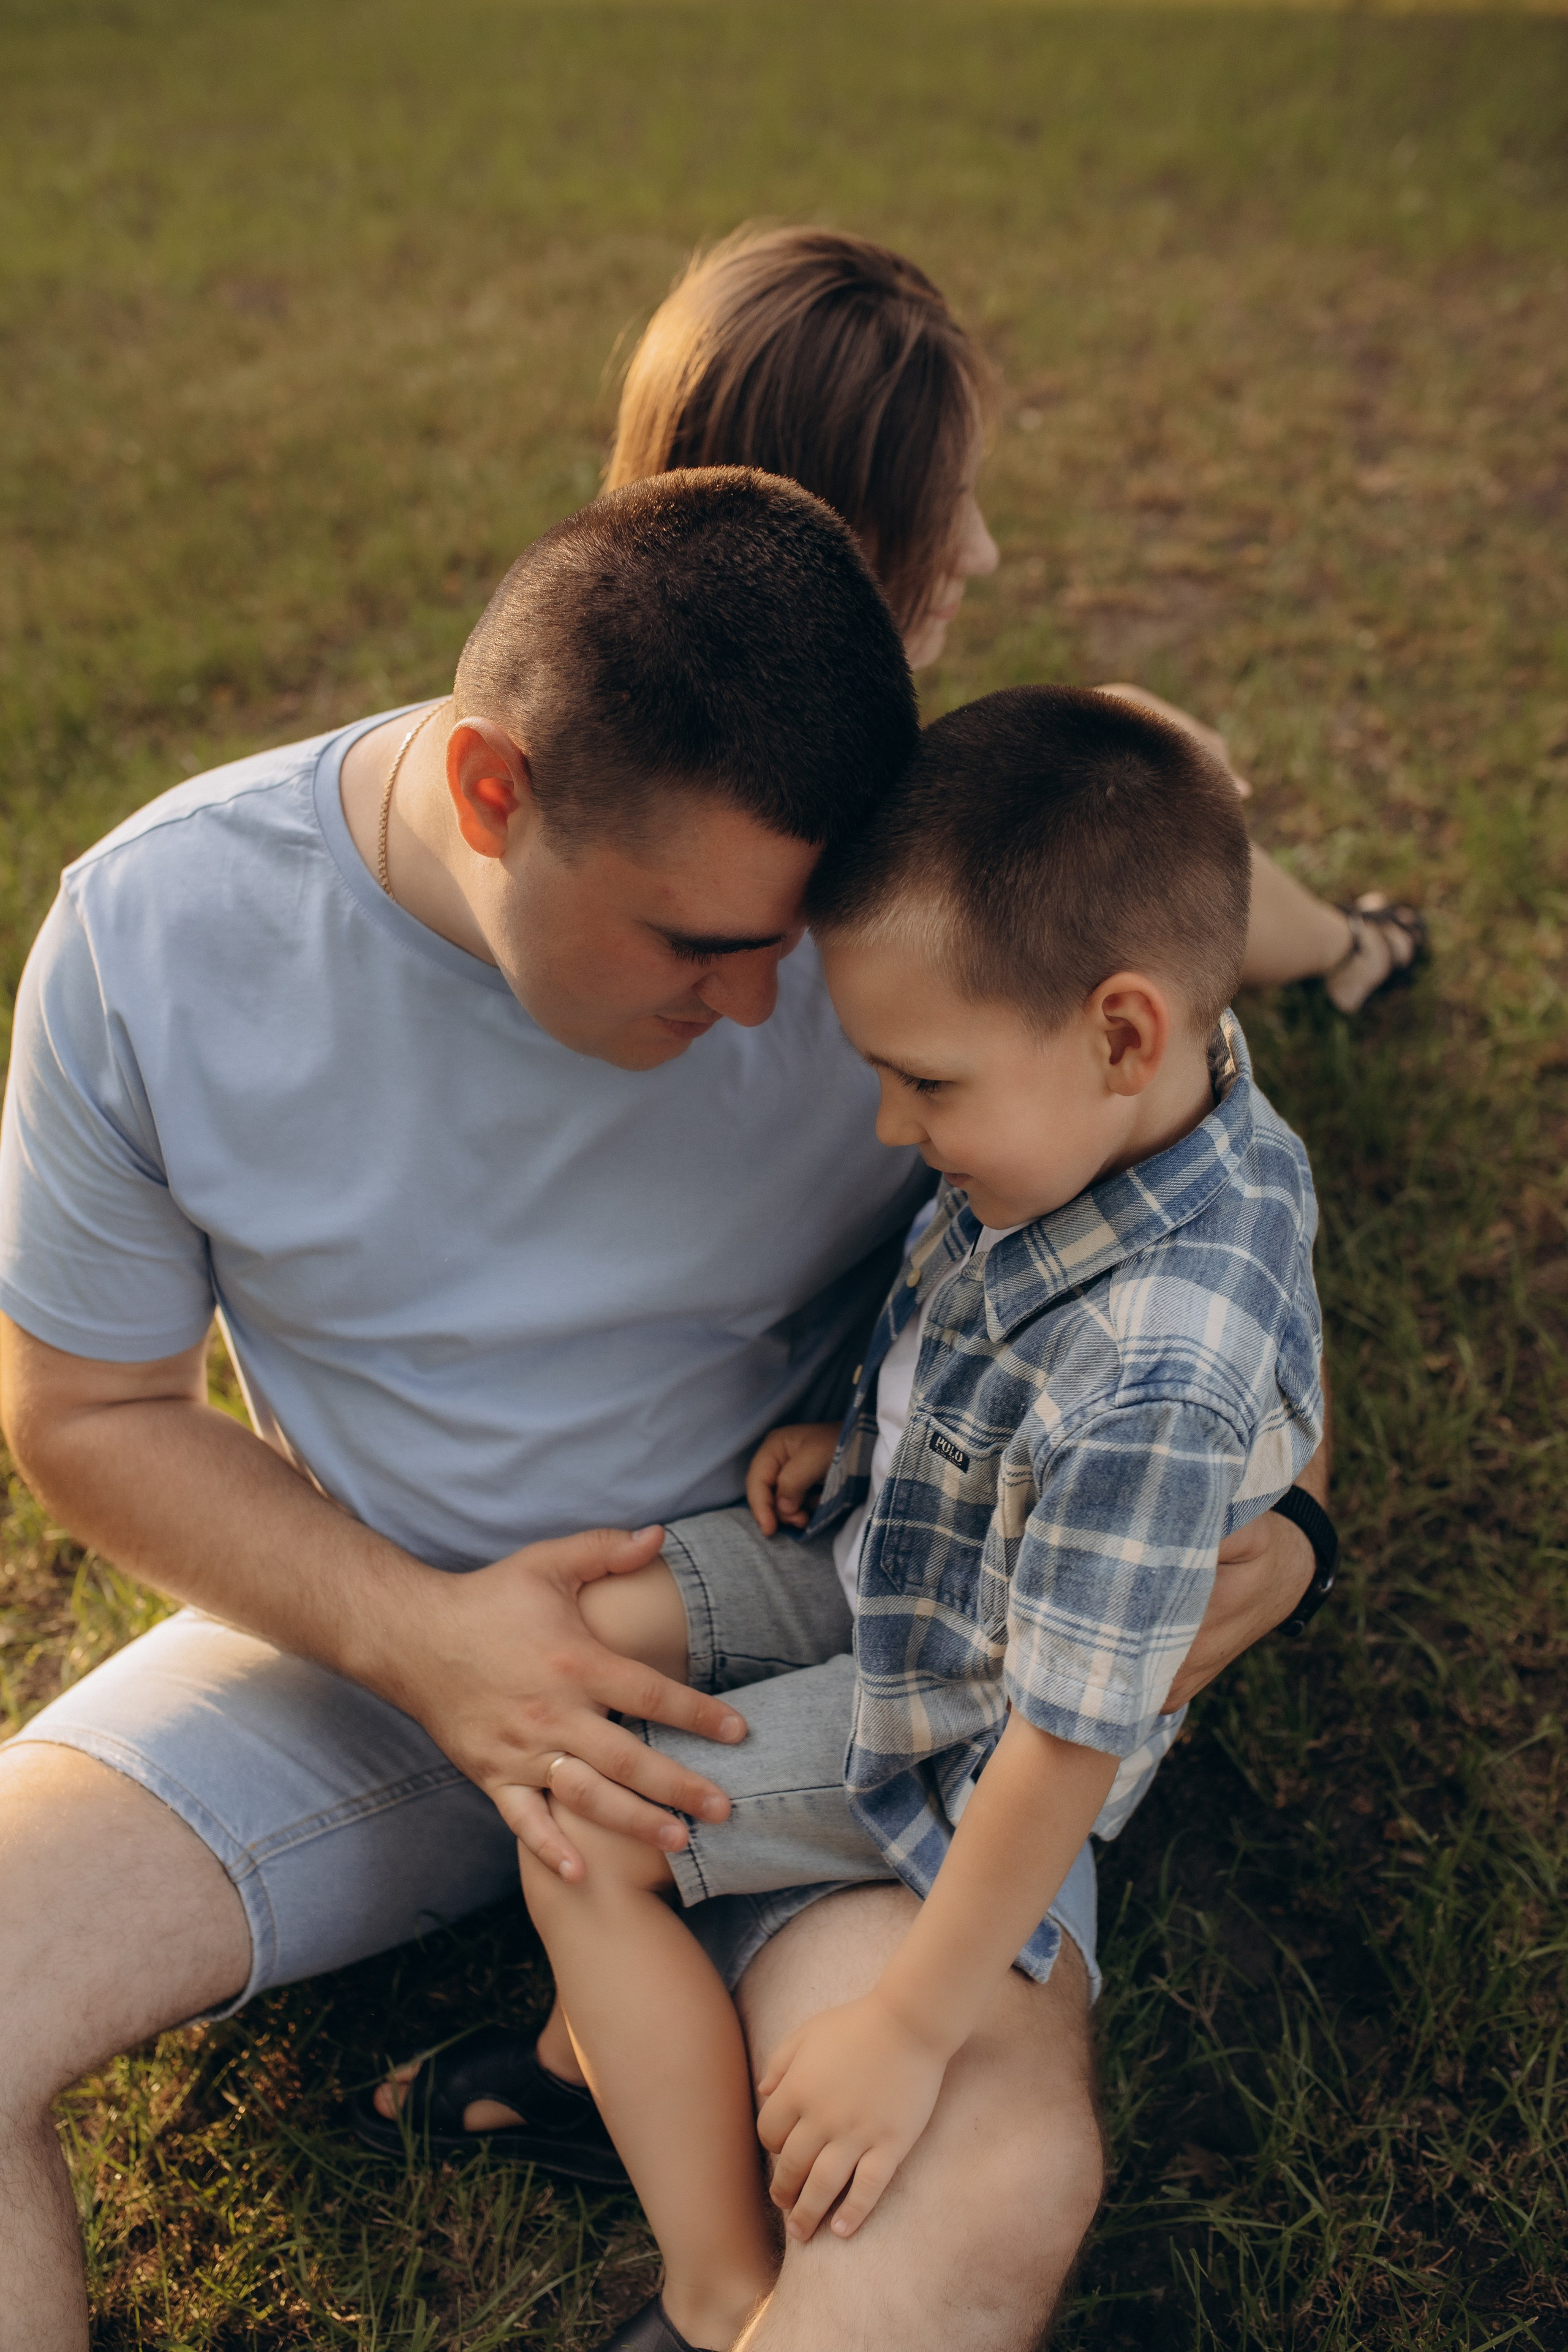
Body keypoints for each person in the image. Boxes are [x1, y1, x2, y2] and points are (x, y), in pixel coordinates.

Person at [0, 467, 1323, 2352]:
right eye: (701, 947)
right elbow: (84, 1414)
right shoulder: (150, 938)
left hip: (865, 1638)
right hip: (364, 1657)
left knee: (982, 2198)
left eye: (793, 954)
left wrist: (1302, 1530)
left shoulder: (884, 926)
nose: (771, 1004)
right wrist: (429, 1642)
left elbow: (1205, 1212)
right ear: (488, 793)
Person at [511, 686, 1325, 2352]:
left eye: (923, 1084)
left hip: (953, 1712)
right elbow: (972, 1295)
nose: (892, 1126)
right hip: (894, 1536)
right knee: (561, 1656)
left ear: (1122, 1033)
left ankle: (716, 2274)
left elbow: (1061, 1742)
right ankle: (625, 2038)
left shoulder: (1162, 1376)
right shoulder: (1134, 1120)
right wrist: (862, 1421)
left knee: (569, 1807)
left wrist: (905, 2023)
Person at [607, 223, 1423, 1015]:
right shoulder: (894, 870)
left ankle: (1344, 946)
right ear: (821, 526)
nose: (981, 552)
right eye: (942, 510)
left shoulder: (584, 703)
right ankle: (1351, 949)